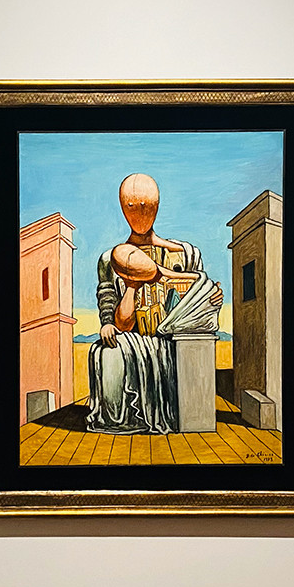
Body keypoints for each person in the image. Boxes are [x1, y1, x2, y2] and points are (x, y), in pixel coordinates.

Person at [86, 173, 223, 434]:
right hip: (132, 339)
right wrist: (107, 322)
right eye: (131, 205)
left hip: (176, 338)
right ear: (122, 208)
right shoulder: (109, 260)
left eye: (146, 205)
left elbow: (200, 297)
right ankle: (122, 420)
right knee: (106, 352)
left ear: (156, 207)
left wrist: (212, 297)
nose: (139, 212)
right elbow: (113, 311)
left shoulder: (186, 254)